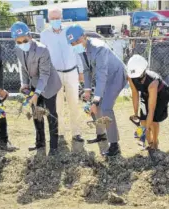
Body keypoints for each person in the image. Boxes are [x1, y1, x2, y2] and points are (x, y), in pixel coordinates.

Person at [66, 24, 128, 156]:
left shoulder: (99, 48)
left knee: (105, 107)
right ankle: (102, 135)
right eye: (72, 43)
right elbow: (87, 70)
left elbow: (101, 76)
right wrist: (87, 90)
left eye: (77, 41)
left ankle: (114, 145)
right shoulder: (81, 49)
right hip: (104, 77)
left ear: (84, 37)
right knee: (92, 105)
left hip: (116, 75)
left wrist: (95, 100)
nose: (75, 44)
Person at [11, 21, 62, 155]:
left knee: (51, 115)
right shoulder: (18, 49)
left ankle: (54, 146)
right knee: (36, 114)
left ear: (30, 36)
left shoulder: (42, 49)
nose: (22, 43)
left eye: (25, 40)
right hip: (34, 84)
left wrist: (36, 94)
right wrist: (24, 84)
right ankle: (40, 143)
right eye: (19, 41)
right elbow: (23, 67)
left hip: (49, 84)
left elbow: (44, 74)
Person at [40, 7, 85, 143]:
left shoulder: (69, 31)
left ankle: (76, 132)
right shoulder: (44, 35)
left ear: (62, 17)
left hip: (71, 73)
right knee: (57, 105)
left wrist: (81, 71)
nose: (55, 21)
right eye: (52, 19)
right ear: (48, 19)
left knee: (74, 104)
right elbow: (44, 56)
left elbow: (77, 51)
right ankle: (60, 133)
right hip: (55, 74)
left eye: (57, 18)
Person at [127, 55, 169, 152]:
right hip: (146, 93)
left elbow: (151, 110)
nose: (136, 80)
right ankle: (149, 143)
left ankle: (155, 142)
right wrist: (136, 113)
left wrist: (143, 130)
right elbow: (135, 93)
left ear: (143, 72)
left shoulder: (153, 83)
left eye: (139, 77)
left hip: (161, 94)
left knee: (153, 120)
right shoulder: (130, 76)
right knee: (143, 120)